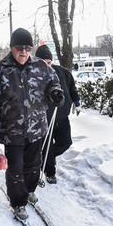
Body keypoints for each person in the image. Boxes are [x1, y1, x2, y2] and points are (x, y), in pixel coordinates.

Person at [0, 28, 65, 220]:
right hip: (12, 131)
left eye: (28, 48)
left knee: (33, 165)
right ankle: (18, 202)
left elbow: (54, 83)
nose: (24, 52)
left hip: (37, 128)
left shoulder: (41, 67)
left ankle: (29, 190)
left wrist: (55, 93)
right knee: (15, 168)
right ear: (12, 47)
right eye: (19, 47)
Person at [35, 45, 81, 184]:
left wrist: (77, 102)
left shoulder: (62, 72)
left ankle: (45, 156)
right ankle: (50, 172)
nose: (47, 66)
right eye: (43, 63)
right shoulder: (34, 75)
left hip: (62, 117)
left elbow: (72, 88)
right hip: (45, 119)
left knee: (65, 143)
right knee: (47, 147)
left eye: (49, 63)